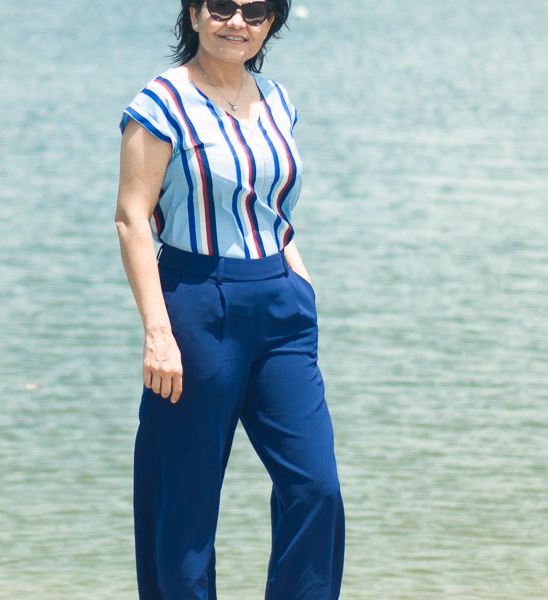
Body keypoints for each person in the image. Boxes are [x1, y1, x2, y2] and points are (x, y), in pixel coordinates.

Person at [115, 0, 345, 598]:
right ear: (193, 15)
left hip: (281, 309)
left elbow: (272, 207)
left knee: (315, 487)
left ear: (272, 23)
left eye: (256, 10)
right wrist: (158, 333)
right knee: (186, 500)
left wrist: (298, 275)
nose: (236, 21)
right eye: (221, 6)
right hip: (197, 304)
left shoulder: (278, 100)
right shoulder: (161, 102)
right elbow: (132, 218)